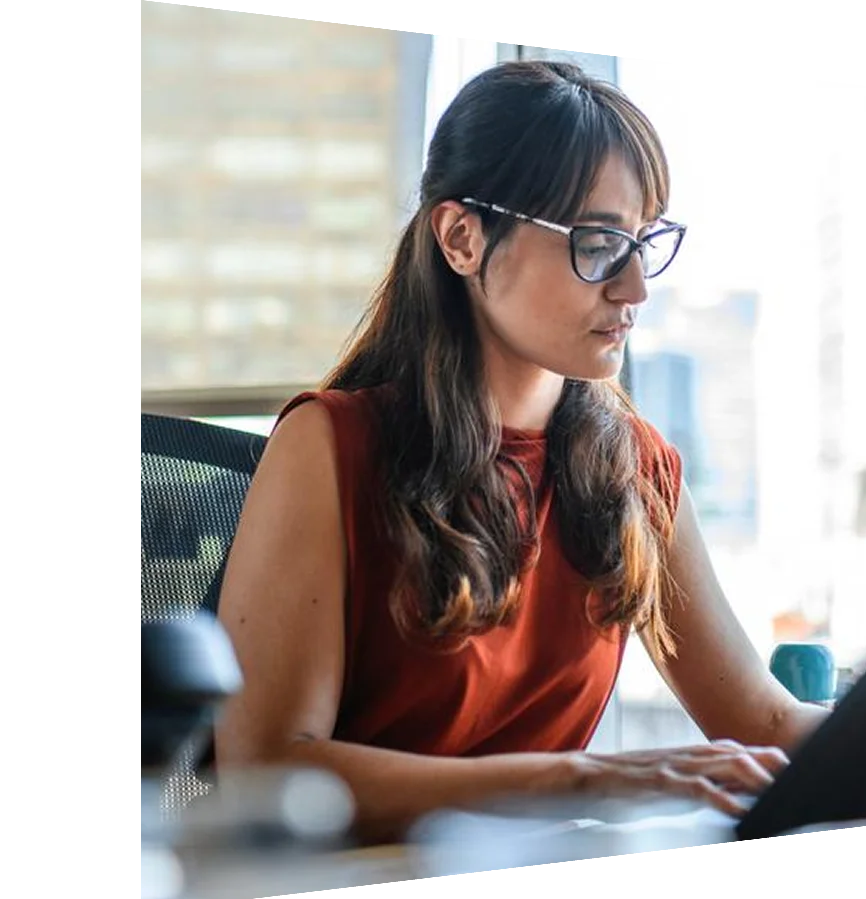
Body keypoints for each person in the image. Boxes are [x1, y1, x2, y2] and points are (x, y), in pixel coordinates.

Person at [213, 59, 829, 845]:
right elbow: (266, 768)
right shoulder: (331, 444)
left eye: (644, 242)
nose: (635, 288)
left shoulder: (634, 467)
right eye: (599, 243)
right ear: (462, 238)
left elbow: (763, 721)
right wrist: (581, 779)